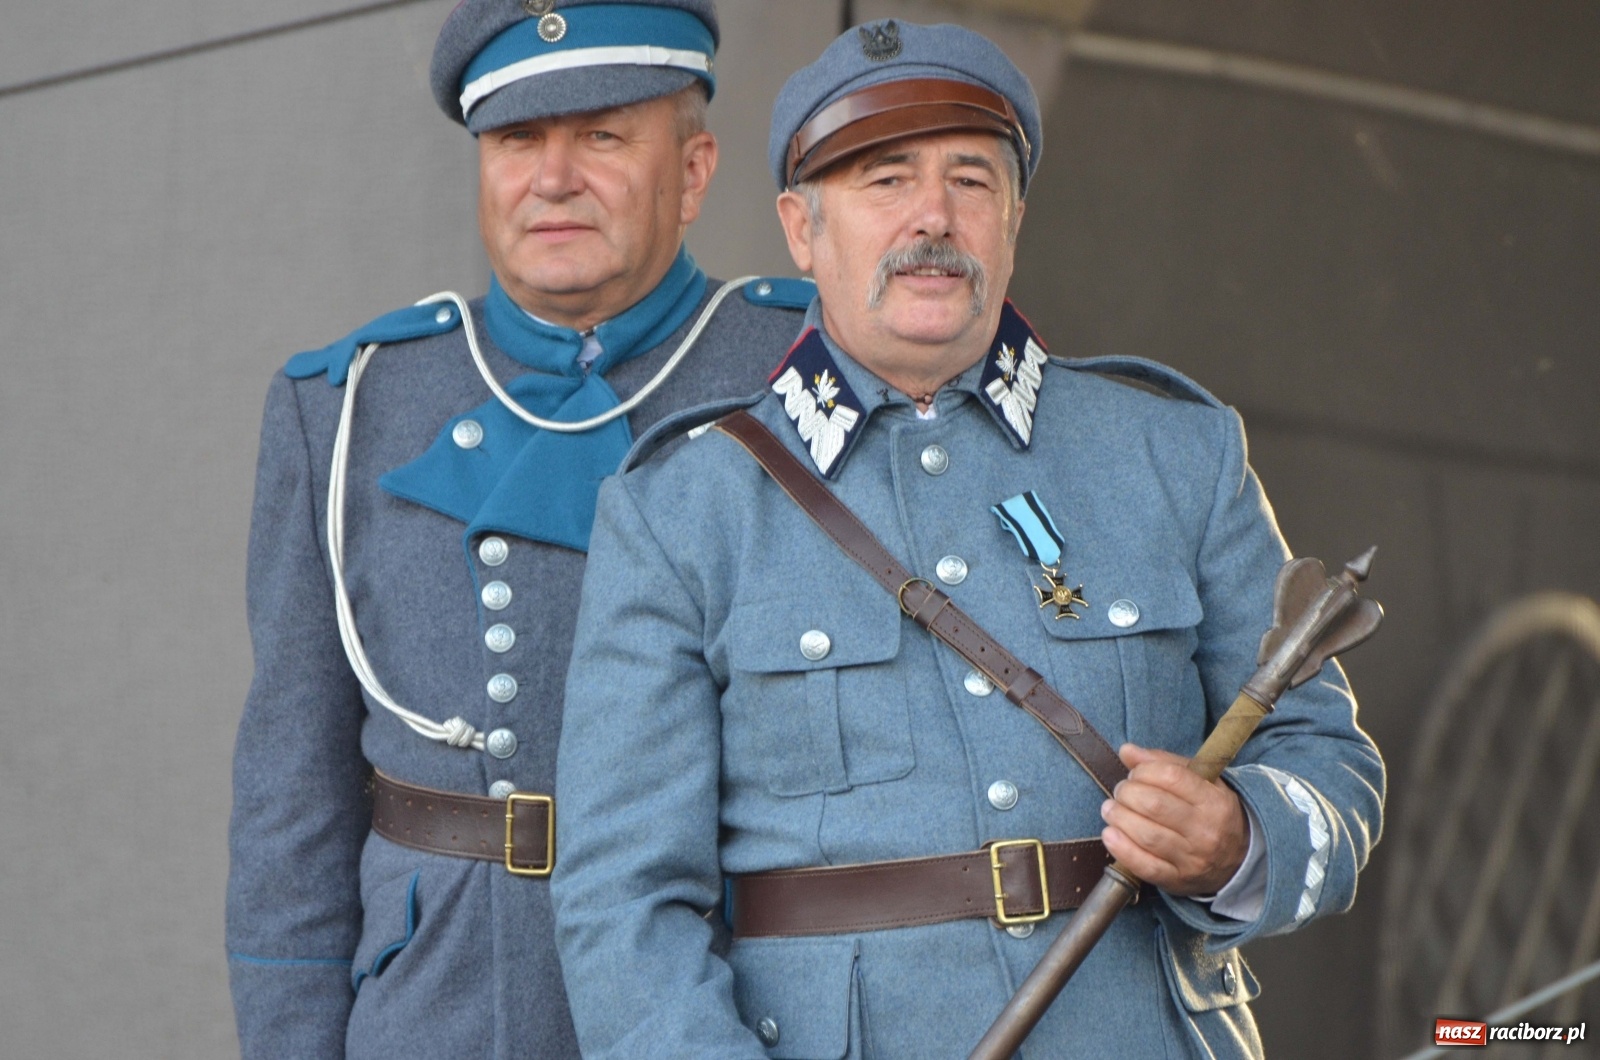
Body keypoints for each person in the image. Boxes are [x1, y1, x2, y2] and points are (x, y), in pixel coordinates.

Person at [551, 19, 1384, 1059]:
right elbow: (621, 903)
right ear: (801, 229)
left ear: (1014, 219)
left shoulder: (1175, 451)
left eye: (971, 182)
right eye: (884, 181)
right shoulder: (683, 508)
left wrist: (1239, 838)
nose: (932, 217)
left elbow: (1327, 764)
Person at [225, 2, 808, 1057]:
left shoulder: (798, 370)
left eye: (602, 136)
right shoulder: (350, 401)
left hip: (735, 1001)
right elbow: (291, 807)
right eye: (516, 140)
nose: (553, 178)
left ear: (692, 170)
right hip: (443, 1005)